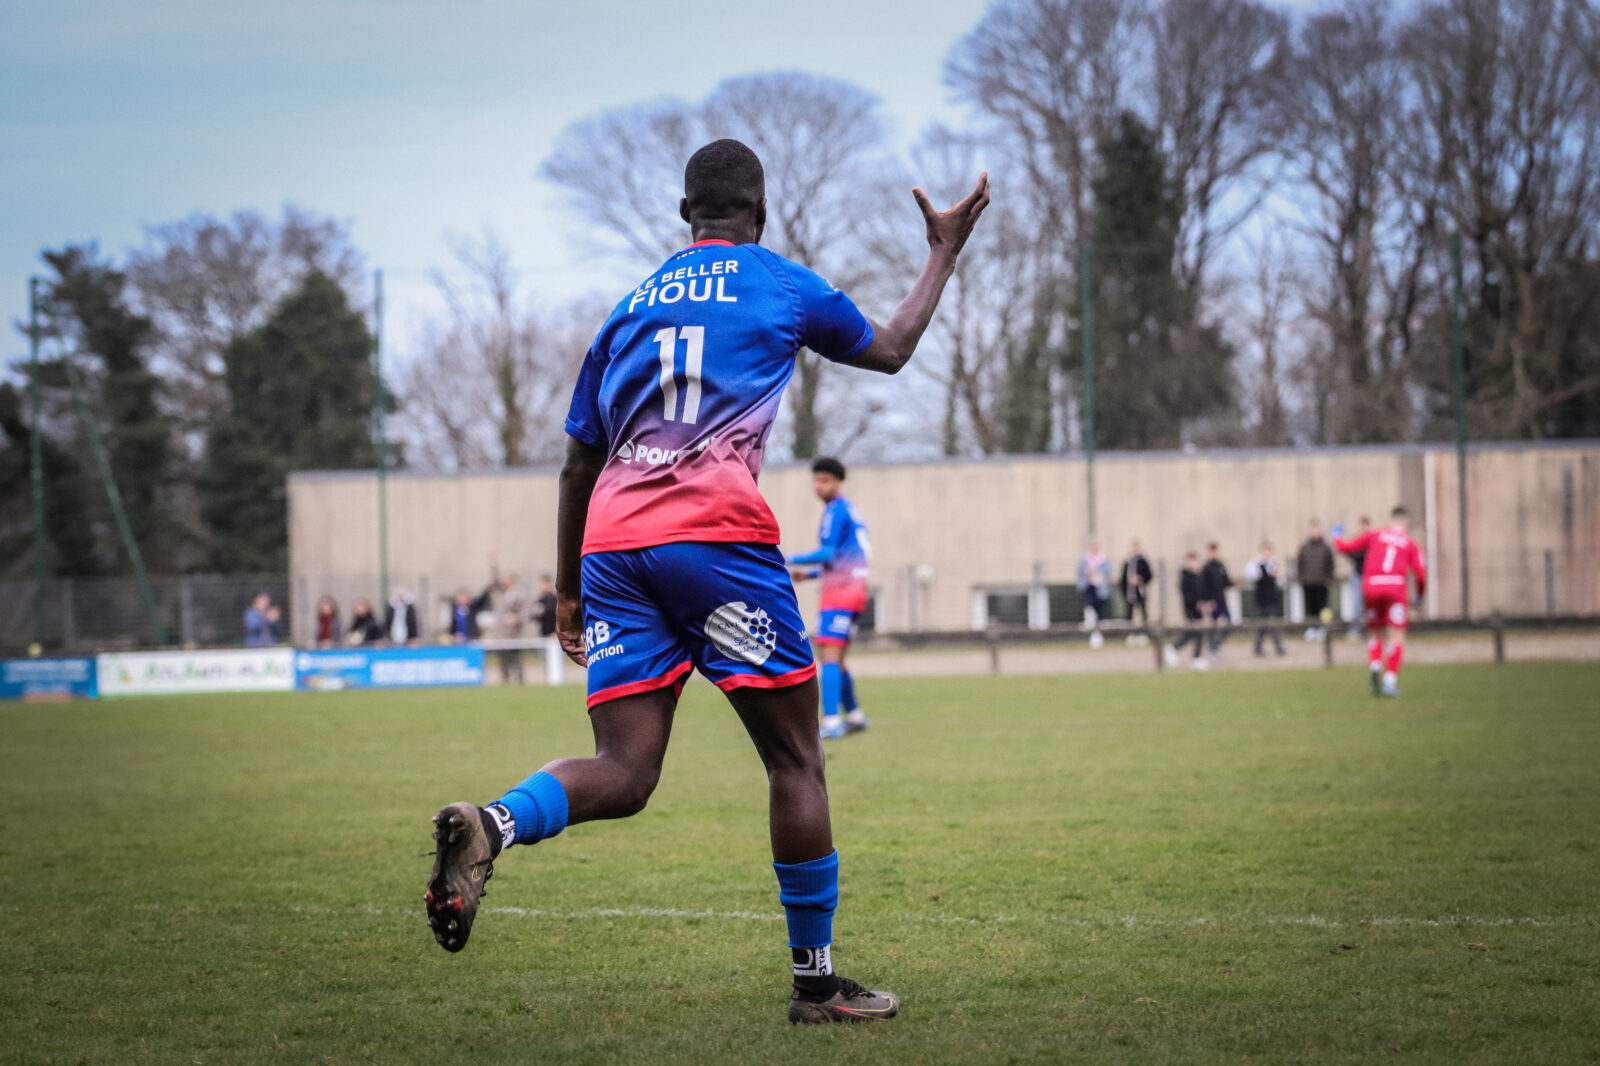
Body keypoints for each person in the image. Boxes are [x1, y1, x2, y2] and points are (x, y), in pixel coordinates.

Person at [422, 139, 988, 1025]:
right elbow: (890, 350)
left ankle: (493, 824)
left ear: (685, 214)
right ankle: (815, 987)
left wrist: (568, 593)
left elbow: (577, 464)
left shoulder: (628, 308)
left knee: (625, 770)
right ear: (761, 212)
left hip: (613, 548)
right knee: (795, 760)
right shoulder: (781, 283)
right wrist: (943, 252)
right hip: (714, 541)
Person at [786, 457, 871, 740]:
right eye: (816, 480)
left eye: (825, 481)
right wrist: (810, 576)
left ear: (839, 482)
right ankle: (855, 715)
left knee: (829, 657)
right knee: (839, 659)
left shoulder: (835, 510)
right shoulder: (849, 510)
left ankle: (832, 721)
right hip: (854, 589)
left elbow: (827, 553)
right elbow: (843, 558)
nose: (818, 486)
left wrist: (785, 558)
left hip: (841, 592)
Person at [1335, 506, 1427, 697]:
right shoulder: (1410, 543)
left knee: (1375, 632)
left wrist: (1336, 535)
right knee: (1396, 635)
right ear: (1406, 522)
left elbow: (1345, 547)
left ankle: (1375, 664)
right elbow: (1420, 574)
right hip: (1395, 588)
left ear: (1391, 520)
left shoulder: (1375, 535)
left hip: (1371, 587)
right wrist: (1419, 596)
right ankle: (1389, 681)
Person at [1164, 552, 1210, 669]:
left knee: (1199, 633)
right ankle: (1175, 648)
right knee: (1191, 633)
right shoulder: (1185, 576)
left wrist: (1205, 603)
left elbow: (1202, 592)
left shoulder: (1198, 576)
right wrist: (1196, 603)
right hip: (1190, 609)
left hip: (1199, 611)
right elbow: (1187, 595)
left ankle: (1196, 657)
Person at [1244, 541, 1286, 657]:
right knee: (1268, 623)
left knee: (1267, 623)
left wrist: (1278, 574)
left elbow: (1281, 582)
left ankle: (1259, 647)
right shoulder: (1256, 565)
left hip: (1271, 599)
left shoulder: (1274, 565)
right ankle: (1276, 647)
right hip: (1262, 599)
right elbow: (1249, 575)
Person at [1296, 521, 1335, 641]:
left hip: (1322, 583)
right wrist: (1301, 579)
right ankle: (1311, 628)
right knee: (1310, 607)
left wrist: (1328, 579)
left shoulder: (1325, 548)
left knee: (1322, 607)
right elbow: (1300, 564)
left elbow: (1330, 565)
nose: (1315, 533)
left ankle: (1322, 629)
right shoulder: (1304, 547)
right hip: (1308, 582)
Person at [1076, 541, 1112, 648]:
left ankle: (1098, 635)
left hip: (1099, 589)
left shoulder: (1104, 560)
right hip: (1089, 587)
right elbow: (1079, 572)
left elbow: (1108, 573)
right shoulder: (1085, 560)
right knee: (1089, 607)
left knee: (1099, 611)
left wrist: (1097, 573)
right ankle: (1091, 630)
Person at [496, 571, 531, 684]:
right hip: (503, 634)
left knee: (517, 658)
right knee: (503, 658)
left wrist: (516, 618)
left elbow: (525, 611)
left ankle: (519, 680)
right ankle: (505, 679)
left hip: (515, 633)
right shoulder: (501, 593)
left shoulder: (520, 593)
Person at [1200, 542, 1233, 655]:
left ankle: (1217, 644)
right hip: (1211, 602)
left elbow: (1226, 582)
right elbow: (1203, 586)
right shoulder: (1206, 568)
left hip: (1221, 601)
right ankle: (1212, 648)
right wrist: (1206, 601)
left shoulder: (1221, 566)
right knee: (1212, 627)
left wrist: (1234, 584)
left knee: (1229, 623)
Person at [1119, 539, 1153, 645]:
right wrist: (1127, 584)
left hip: (1140, 592)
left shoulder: (1143, 562)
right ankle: (1130, 634)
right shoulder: (1127, 562)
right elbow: (1122, 579)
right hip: (1130, 593)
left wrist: (1140, 579)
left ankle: (1144, 633)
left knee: (1143, 614)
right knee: (1129, 614)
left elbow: (1149, 576)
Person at [531, 574, 563, 686]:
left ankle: (557, 682)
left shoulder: (555, 599)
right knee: (545, 661)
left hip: (554, 635)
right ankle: (549, 681)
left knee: (556, 661)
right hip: (544, 635)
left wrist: (556, 632)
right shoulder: (539, 600)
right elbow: (532, 616)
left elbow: (558, 616)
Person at [1343, 515, 1372, 637]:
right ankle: (1356, 628)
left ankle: (1371, 629)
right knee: (1357, 604)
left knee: (1370, 604)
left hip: (1370, 577)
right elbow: (1350, 552)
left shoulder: (1373, 540)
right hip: (1358, 576)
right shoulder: (1357, 540)